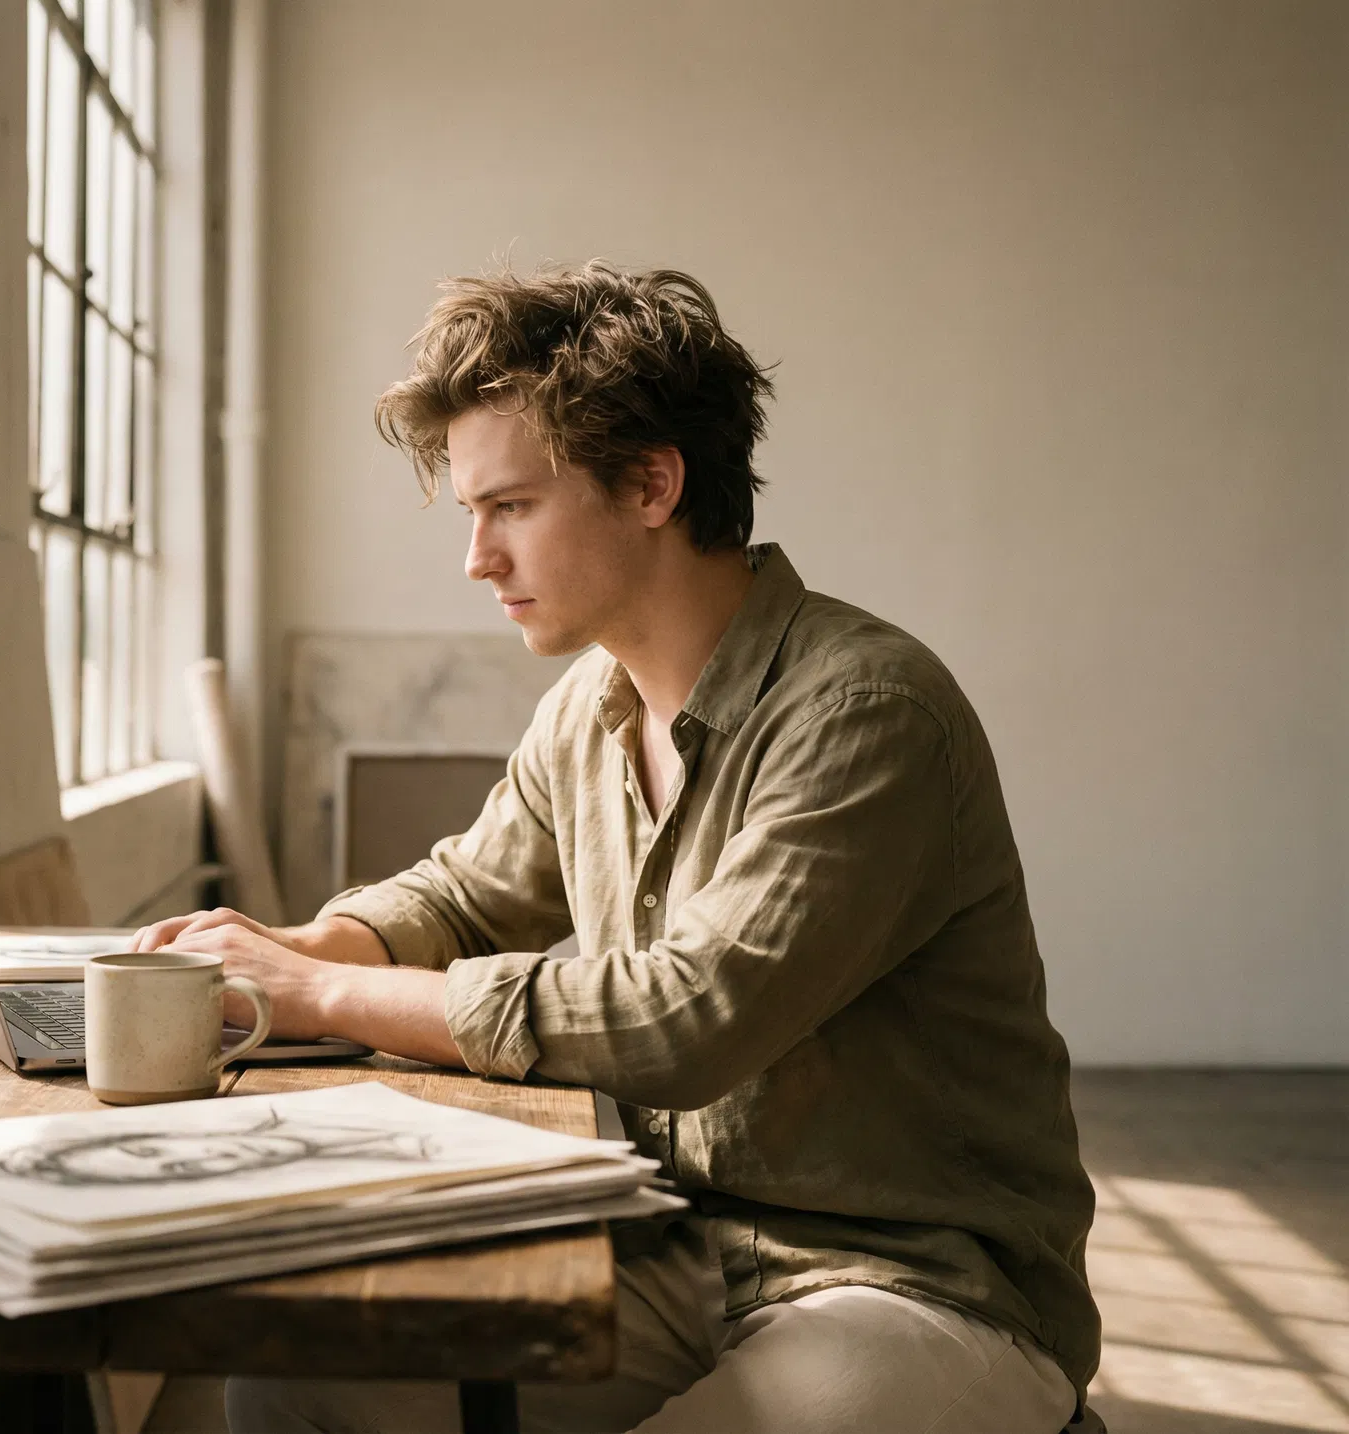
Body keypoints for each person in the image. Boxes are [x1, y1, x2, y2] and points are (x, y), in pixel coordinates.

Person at [132, 261, 1099, 1433]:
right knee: (296, 1383)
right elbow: (470, 893)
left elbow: (688, 1017)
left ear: (652, 483)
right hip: (680, 1244)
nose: (476, 558)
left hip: (914, 1286)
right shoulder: (590, 707)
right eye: (472, 514)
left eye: (511, 508)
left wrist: (329, 995)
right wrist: (308, 945)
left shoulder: (868, 709)